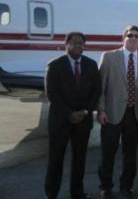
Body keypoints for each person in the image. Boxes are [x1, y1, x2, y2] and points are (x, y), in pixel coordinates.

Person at [44, 32, 101, 199]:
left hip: (83, 120)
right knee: (56, 160)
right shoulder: (54, 65)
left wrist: (85, 112)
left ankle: (77, 192)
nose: (78, 46)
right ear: (66, 44)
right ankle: (51, 193)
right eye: (75, 43)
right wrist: (70, 113)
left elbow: (96, 91)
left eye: (81, 43)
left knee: (79, 159)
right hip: (60, 120)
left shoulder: (91, 65)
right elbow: (52, 94)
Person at [97, 25, 138, 199]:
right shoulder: (109, 57)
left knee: (131, 154)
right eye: (130, 35)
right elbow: (100, 87)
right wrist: (101, 109)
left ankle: (126, 186)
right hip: (112, 112)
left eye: (137, 36)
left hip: (134, 114)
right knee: (108, 153)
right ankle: (106, 186)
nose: (134, 38)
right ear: (123, 37)